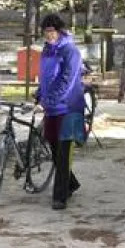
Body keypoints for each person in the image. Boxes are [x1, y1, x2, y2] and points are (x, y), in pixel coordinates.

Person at [34, 14, 85, 210]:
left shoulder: (70, 52)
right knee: (55, 152)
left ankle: (60, 197)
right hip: (52, 108)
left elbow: (66, 82)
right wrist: (39, 95)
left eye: (52, 31)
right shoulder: (47, 51)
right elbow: (46, 78)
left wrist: (47, 102)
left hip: (68, 108)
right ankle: (71, 183)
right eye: (45, 32)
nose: (48, 35)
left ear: (59, 31)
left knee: (63, 153)